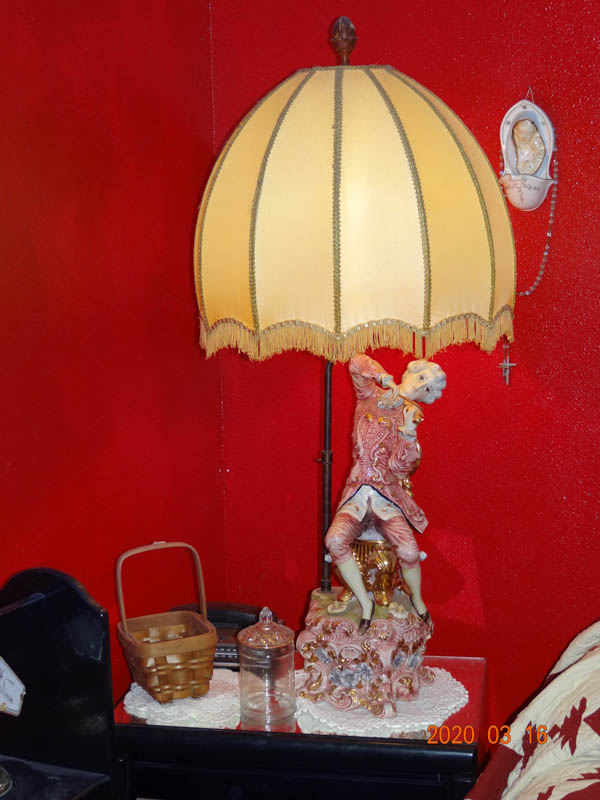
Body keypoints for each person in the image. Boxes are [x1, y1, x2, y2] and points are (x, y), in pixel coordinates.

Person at [325, 353, 446, 633]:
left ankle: (418, 600)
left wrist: (407, 431)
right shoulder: (370, 394)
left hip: (385, 497)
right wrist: (384, 378)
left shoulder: (412, 415)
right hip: (357, 494)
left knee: (409, 551)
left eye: (428, 387)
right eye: (421, 377)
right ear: (408, 373)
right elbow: (356, 363)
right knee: (334, 539)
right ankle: (364, 602)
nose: (421, 386)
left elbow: (399, 469)